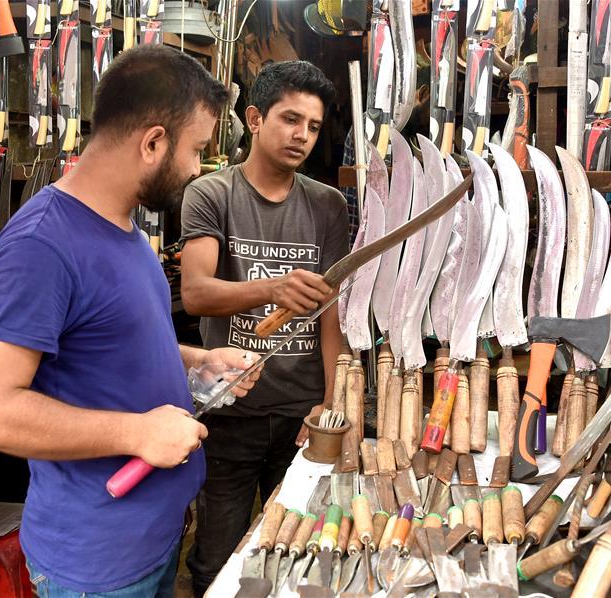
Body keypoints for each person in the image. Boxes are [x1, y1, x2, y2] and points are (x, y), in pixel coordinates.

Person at [0, 45, 259, 597]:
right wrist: (138, 433)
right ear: (153, 143)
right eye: (195, 150)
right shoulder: (41, 245)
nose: (197, 169)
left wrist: (199, 361)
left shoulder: (125, 230)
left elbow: (113, 344)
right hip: (97, 566)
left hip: (153, 538)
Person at [180, 60, 349, 596]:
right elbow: (196, 293)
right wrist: (272, 288)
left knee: (298, 554)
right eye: (290, 119)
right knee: (217, 560)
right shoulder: (212, 194)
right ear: (254, 119)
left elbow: (332, 315)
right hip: (230, 410)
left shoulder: (327, 205)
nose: (303, 136)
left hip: (302, 414)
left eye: (314, 126)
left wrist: (330, 402)